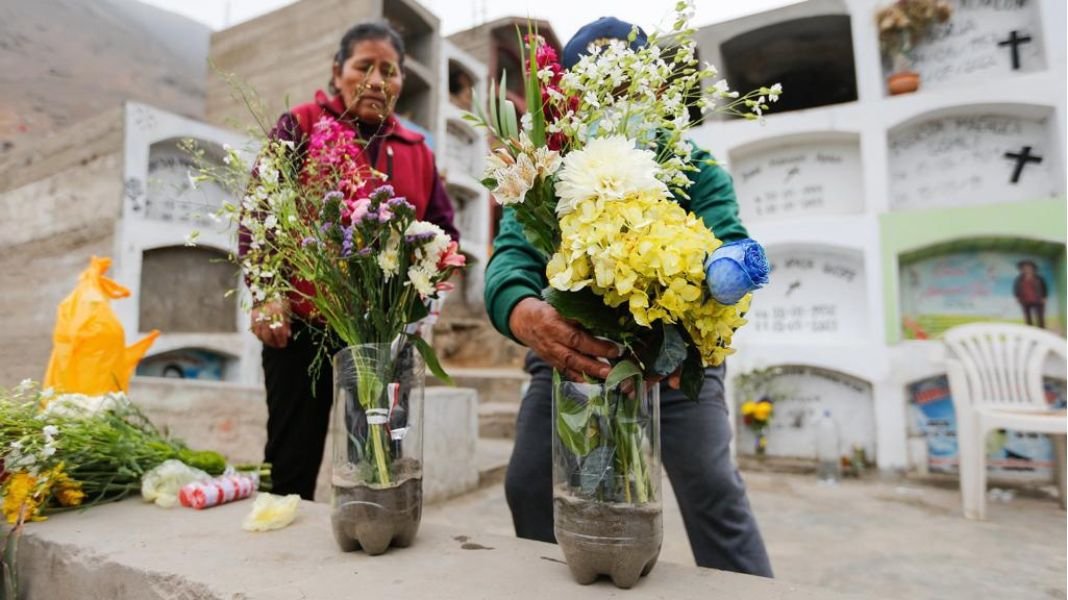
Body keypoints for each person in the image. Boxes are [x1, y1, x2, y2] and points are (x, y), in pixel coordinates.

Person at [483, 17, 773, 577]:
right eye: (597, 86)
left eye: (629, 83)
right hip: (571, 354)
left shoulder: (697, 170)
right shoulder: (548, 173)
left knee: (711, 486)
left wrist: (697, 309)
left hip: (675, 362)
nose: (616, 100)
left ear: (657, 90)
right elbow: (510, 258)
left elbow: (729, 244)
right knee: (528, 482)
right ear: (566, 99)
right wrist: (524, 313)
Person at [241, 21, 459, 501]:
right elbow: (260, 212)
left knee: (380, 459)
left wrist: (422, 293)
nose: (377, 81)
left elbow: (444, 231)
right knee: (291, 461)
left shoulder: (418, 151)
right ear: (337, 70)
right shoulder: (300, 124)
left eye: (390, 70)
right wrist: (267, 295)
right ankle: (278, 555)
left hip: (384, 331)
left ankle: (373, 538)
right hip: (304, 327)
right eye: (365, 66)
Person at [1013, 260, 1048, 329]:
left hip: (1038, 300)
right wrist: (1017, 297)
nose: (1027, 269)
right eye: (1024, 268)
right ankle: (1030, 331)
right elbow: (1016, 288)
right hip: (1025, 300)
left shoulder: (1039, 278)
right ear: (1022, 269)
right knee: (1028, 317)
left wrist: (1044, 297)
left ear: (1033, 268)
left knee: (1040, 317)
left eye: (1029, 267)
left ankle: (1042, 331)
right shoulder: (1019, 279)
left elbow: (1044, 287)